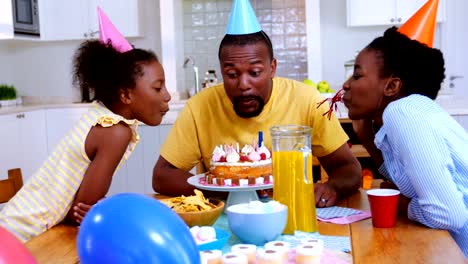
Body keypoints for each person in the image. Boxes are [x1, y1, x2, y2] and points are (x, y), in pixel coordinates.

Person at [153, 0, 361, 207]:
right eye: (232, 74)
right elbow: (162, 175)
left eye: (255, 73)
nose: (244, 84)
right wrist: (219, 190)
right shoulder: (200, 107)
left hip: (293, 212)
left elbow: (348, 168)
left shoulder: (308, 101)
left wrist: (332, 188)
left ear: (272, 68)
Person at [0, 10, 171, 242]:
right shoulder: (115, 131)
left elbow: (81, 209)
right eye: (158, 87)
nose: (168, 96)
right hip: (21, 237)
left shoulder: (100, 115)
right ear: (125, 95)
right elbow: (82, 211)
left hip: (15, 225)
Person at [343, 26, 468, 257]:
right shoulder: (411, 110)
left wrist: (399, 203)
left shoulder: (402, 112)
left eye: (357, 75)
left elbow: (448, 214)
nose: (346, 85)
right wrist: (366, 137)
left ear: (391, 86)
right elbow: (410, 182)